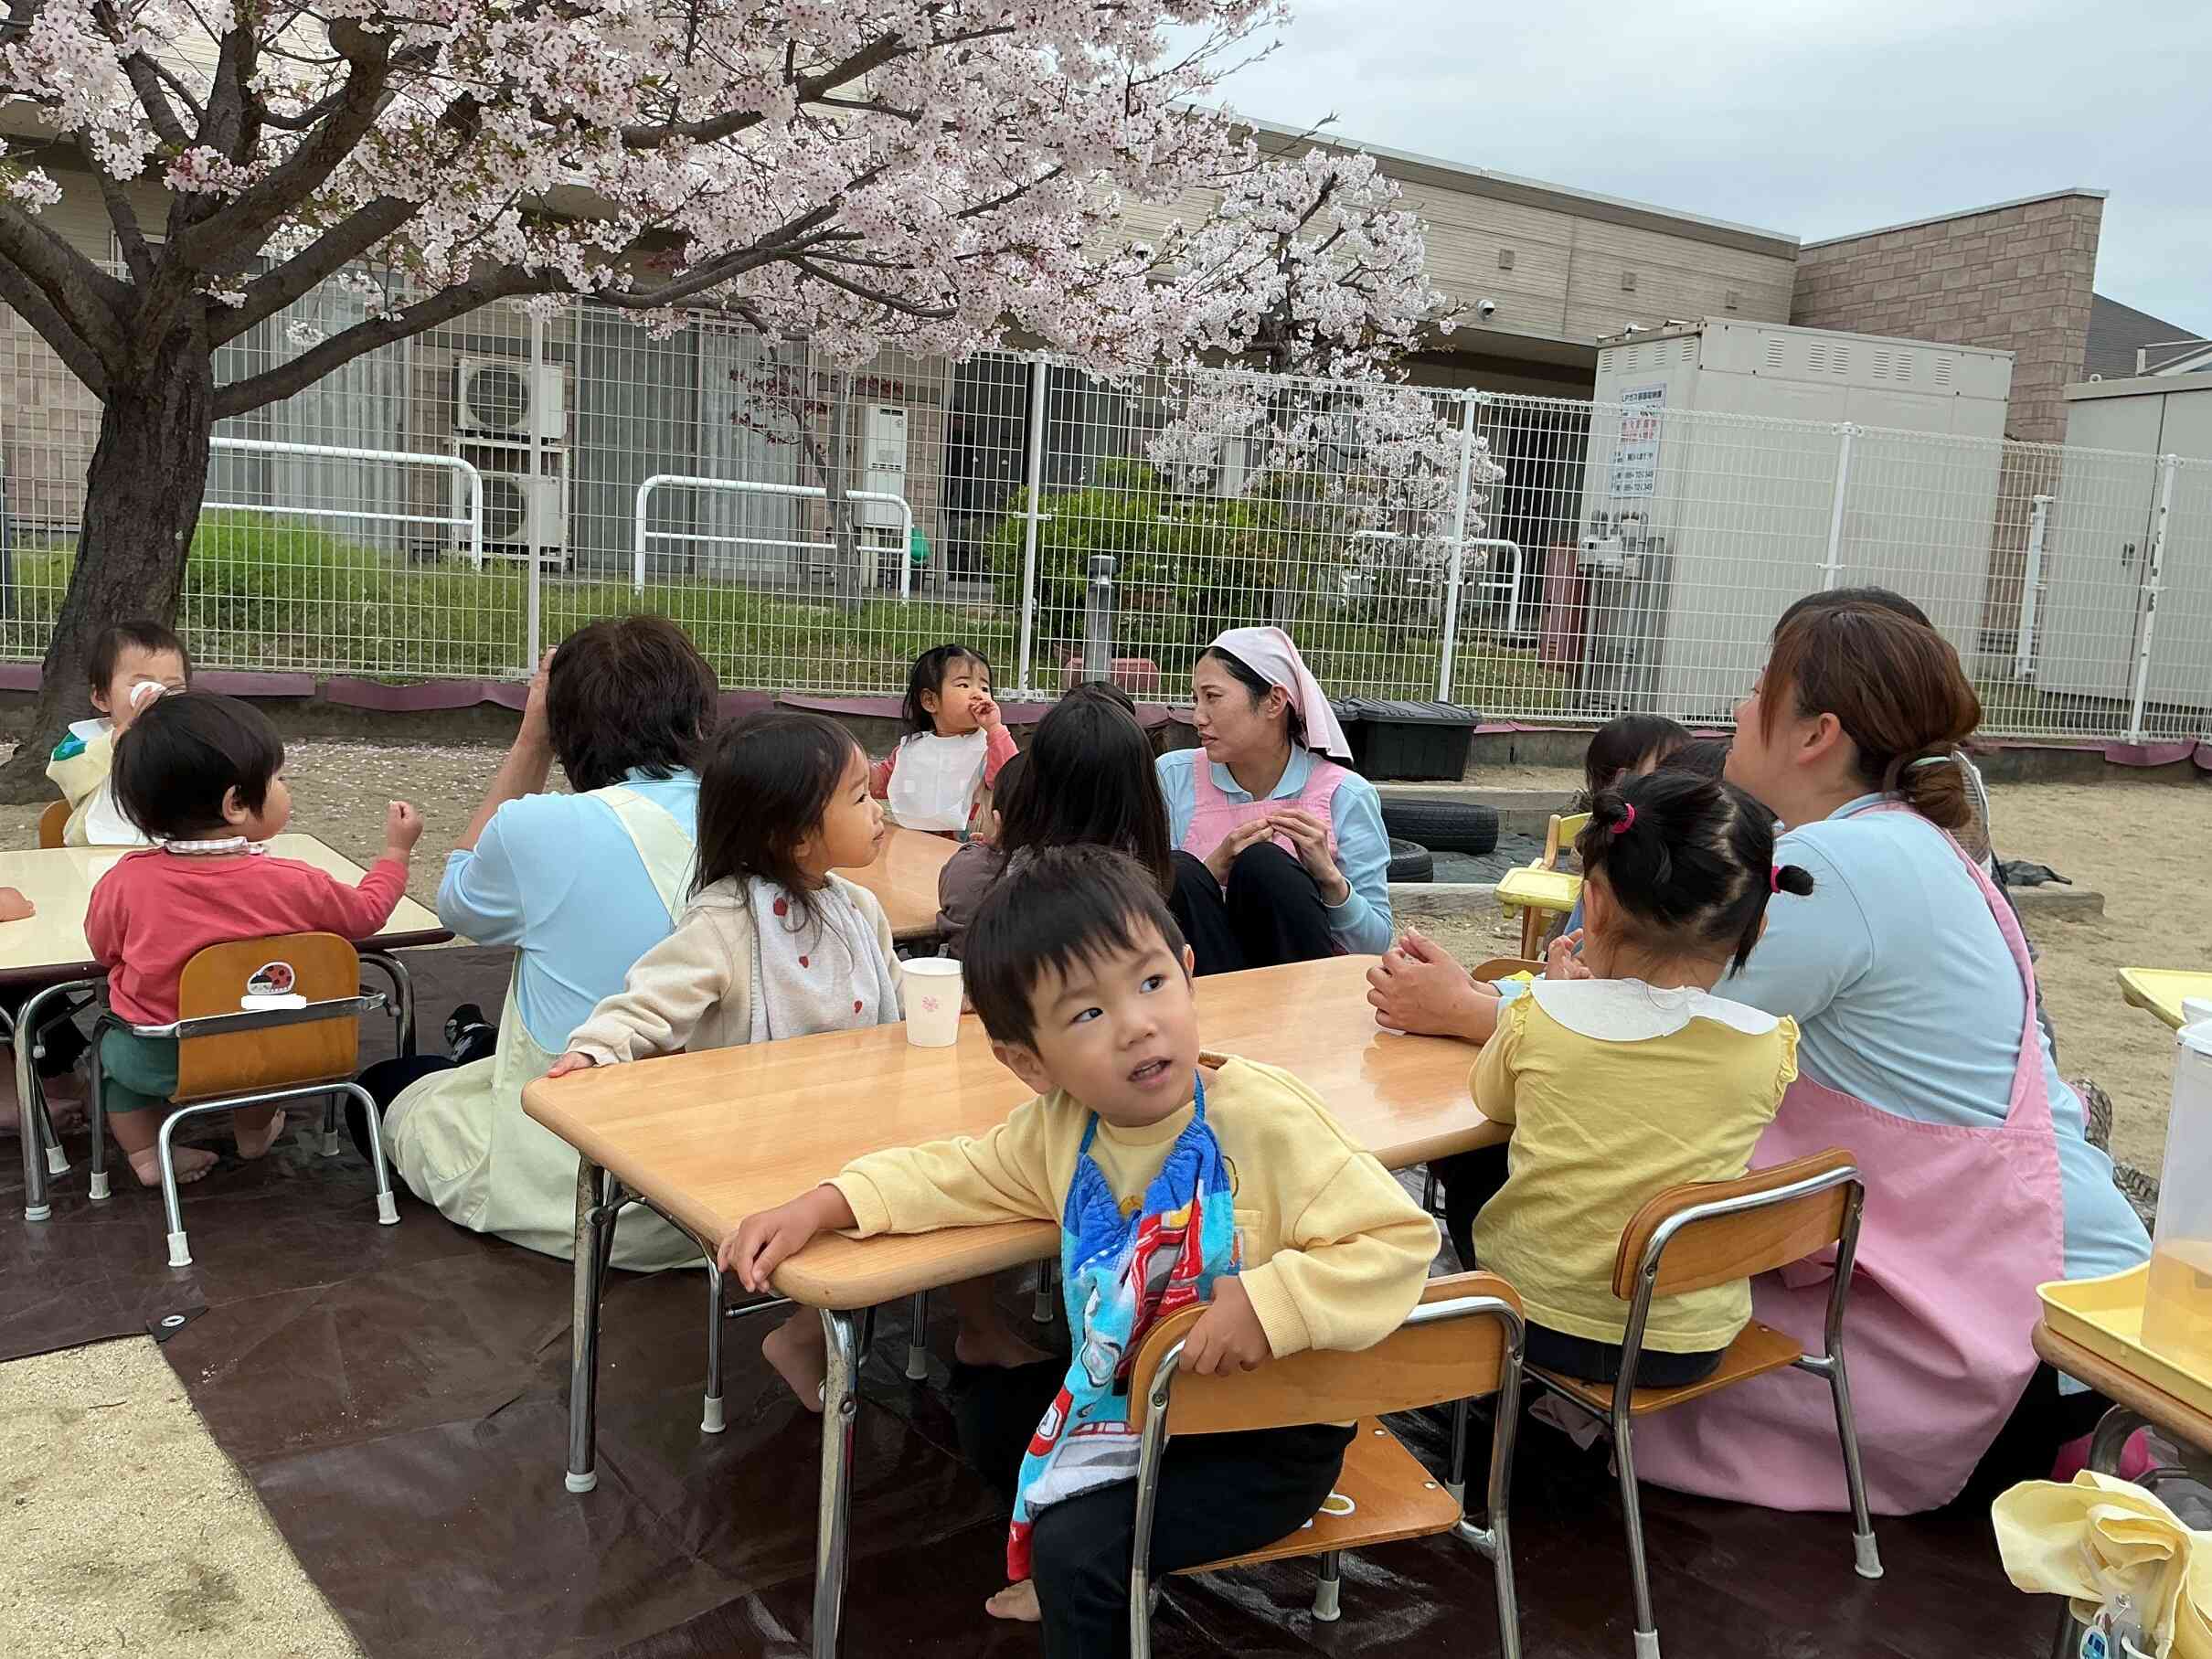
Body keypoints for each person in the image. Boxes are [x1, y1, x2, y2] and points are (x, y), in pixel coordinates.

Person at [1375, 602, 2149, 1512]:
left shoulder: (1834, 868)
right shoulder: (1909, 847)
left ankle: (1551, 1402)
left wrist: (1468, 1006)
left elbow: (1629, 1027)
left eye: (1753, 693)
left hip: (2008, 1337)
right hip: (2043, 1284)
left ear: (1816, 733)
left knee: (1510, 1154)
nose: (1734, 714)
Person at [719, 845, 1437, 1645]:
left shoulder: (1265, 1120)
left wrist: (1271, 1302)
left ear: (1189, 971)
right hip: (1139, 1407)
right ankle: (1099, 1566)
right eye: (1088, 1014)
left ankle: (1087, 1576)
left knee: (1076, 1552)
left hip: (1269, 1436)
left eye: (1152, 982)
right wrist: (826, 1202)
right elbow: (952, 1172)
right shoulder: (1062, 1132)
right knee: (989, 1415)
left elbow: (1400, 1238)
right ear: (1029, 1061)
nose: (1137, 1024)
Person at [548, 711, 1044, 1404]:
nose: (878, 807)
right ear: (795, 834)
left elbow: (891, 987)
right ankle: (803, 1335)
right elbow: (647, 1001)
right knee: (884, 1178)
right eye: (859, 797)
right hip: (758, 1141)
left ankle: (980, 1325)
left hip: (858, 1123)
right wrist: (594, 1051)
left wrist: (957, 999)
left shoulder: (856, 907)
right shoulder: (727, 921)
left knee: (956, 1156)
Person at [369, 616, 718, 1271]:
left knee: (390, 1083)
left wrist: (532, 735)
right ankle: (477, 1047)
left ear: (567, 726)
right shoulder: (750, 808)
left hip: (586, 1198)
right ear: (699, 713)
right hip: (729, 1193)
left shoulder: (541, 827)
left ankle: (473, 1050)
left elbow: (456, 900)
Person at [1450, 771, 1811, 1387]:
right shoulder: (1769, 1045)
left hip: (1533, 1322)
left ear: (1592, 901)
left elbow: (1489, 1099)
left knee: (1467, 1159)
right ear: (1756, 928)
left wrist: (1552, 998)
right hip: (1690, 1340)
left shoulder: (1543, 1014)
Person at [84, 693, 421, 1187]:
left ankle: (147, 1155)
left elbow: (103, 949)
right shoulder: (293, 881)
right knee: (261, 1046)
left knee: (117, 1068)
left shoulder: (126, 882)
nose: (285, 788)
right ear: (237, 803)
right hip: (275, 1048)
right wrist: (395, 853)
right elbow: (369, 914)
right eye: (278, 778)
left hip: (159, 1058)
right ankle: (254, 1131)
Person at [1157, 627, 1389, 973]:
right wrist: (1211, 870)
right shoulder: (1171, 777)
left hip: (1302, 994)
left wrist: (1327, 877)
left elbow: (1375, 945)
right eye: (1196, 699)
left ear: (1274, 701)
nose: (1198, 716)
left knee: (1266, 866)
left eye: (1212, 697)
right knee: (1182, 872)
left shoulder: (1346, 795)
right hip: (1202, 985)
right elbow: (1140, 916)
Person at [48, 618, 192, 847]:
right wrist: (116, 741)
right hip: (95, 847)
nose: (157, 695)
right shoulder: (86, 738)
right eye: (141, 686)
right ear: (102, 697)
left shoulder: (190, 738)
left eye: (173, 687)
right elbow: (65, 774)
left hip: (168, 849)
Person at [870, 643, 1018, 839]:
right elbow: (883, 781)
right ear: (930, 701)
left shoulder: (989, 746)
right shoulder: (913, 751)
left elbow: (1012, 779)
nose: (978, 694)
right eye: (964, 685)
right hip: (918, 849)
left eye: (984, 687)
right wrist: (859, 771)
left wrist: (995, 729)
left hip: (970, 851)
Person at [934, 750, 1026, 957]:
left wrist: (976, 852)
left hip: (968, 982)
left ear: (998, 820)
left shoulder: (969, 866)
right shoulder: (1092, 888)